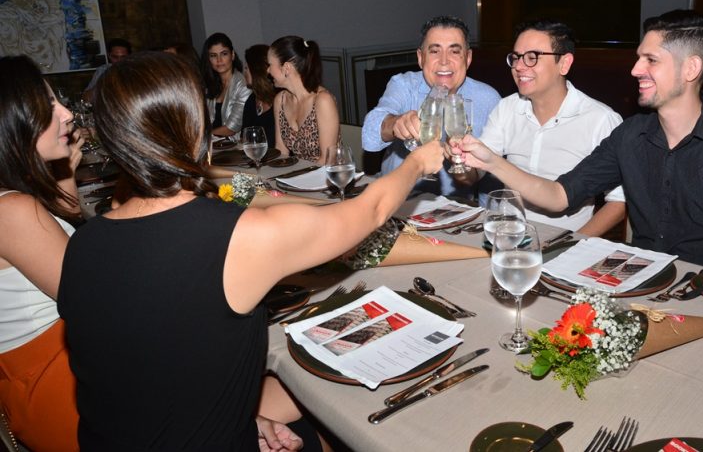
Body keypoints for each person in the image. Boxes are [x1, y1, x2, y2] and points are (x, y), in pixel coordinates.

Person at [57, 52, 443, 450]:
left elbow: (143, 374)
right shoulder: (235, 237)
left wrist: (243, 416)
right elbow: (371, 210)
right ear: (193, 129)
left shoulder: (80, 245)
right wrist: (416, 163)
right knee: (337, 421)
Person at [457, 10, 703, 278]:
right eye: (638, 58)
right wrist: (490, 160)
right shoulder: (630, 136)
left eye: (650, 60)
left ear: (691, 68)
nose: (635, 69)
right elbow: (559, 197)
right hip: (639, 283)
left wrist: (700, 297)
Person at [451, 20, 625, 235]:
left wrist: (576, 242)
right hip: (507, 233)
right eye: (515, 58)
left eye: (532, 57)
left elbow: (619, 202)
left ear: (564, 64)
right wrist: (460, 161)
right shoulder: (507, 108)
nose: (519, 66)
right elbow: (472, 175)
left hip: (565, 239)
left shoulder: (600, 119)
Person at [0, 55, 84, 452]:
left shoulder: (13, 199)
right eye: (49, 105)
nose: (67, 114)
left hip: (44, 374)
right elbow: (94, 298)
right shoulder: (12, 210)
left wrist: (65, 170)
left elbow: (65, 231)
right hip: (59, 384)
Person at [362, 15, 500, 198]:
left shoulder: (488, 99)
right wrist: (395, 123)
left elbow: (489, 178)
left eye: (454, 51)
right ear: (420, 57)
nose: (444, 61)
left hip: (455, 213)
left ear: (467, 58)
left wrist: (463, 171)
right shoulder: (404, 85)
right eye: (435, 51)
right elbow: (371, 132)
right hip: (396, 203)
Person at [269, 36, 339, 164]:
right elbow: (281, 151)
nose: (268, 70)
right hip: (299, 175)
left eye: (270, 65)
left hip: (329, 178)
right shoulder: (281, 100)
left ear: (286, 68)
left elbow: (328, 160)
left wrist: (299, 180)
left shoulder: (322, 101)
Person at [201, 32, 252, 137]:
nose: (219, 60)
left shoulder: (243, 85)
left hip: (235, 147)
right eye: (213, 55)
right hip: (214, 146)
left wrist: (203, 136)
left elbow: (232, 128)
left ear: (232, 55)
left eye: (224, 54)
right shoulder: (209, 85)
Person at [243, 44, 277, 148]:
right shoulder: (251, 100)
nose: (244, 72)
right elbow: (244, 138)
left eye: (246, 68)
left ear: (256, 70)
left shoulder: (279, 99)